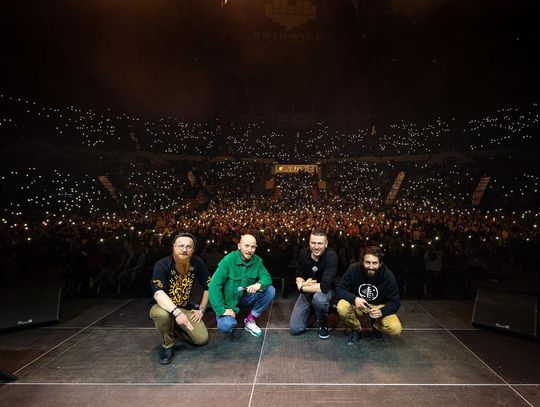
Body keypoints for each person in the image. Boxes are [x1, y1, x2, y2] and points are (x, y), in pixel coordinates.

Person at [148, 233, 210, 364]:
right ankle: (168, 346)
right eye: (181, 246)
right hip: (162, 306)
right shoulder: (162, 264)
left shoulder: (197, 262)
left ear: (193, 249)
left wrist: (202, 310)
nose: (184, 249)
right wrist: (176, 313)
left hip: (184, 306)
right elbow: (158, 294)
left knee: (202, 339)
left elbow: (209, 287)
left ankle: (175, 327)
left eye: (189, 246)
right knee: (162, 315)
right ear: (174, 247)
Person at [208, 234, 275, 337]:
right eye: (246, 246)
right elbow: (213, 286)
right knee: (227, 326)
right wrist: (222, 310)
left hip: (245, 299)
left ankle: (250, 320)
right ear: (239, 246)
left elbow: (267, 277)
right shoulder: (228, 260)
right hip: (228, 303)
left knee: (270, 290)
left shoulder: (257, 261)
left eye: (253, 247)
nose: (250, 250)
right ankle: (230, 317)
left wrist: (258, 284)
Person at [336, 245, 402, 348]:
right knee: (342, 306)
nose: (371, 266)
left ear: (380, 264)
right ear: (362, 262)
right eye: (368, 262)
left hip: (378, 307)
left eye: (375, 263)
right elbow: (339, 289)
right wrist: (355, 299)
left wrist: (381, 312)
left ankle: (376, 326)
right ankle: (356, 329)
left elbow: (395, 302)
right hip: (358, 305)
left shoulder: (388, 276)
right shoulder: (353, 269)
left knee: (395, 329)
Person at [289, 229, 337, 339]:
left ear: (326, 244)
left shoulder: (331, 256)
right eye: (313, 243)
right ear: (309, 242)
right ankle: (313, 310)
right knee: (295, 329)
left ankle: (322, 320)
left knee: (319, 299)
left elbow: (324, 287)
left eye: (320, 243)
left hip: (324, 292)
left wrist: (302, 287)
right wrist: (300, 283)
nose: (316, 247)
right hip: (307, 292)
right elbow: (299, 274)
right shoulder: (303, 253)